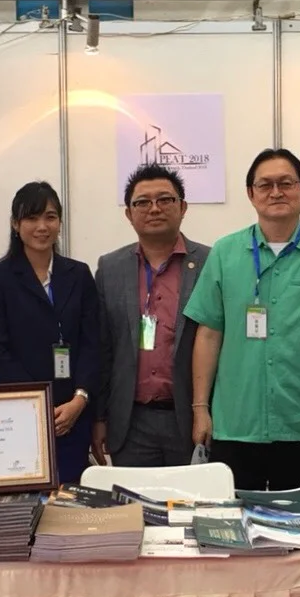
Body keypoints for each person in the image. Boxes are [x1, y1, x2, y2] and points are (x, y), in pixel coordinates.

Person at [184, 148, 300, 500]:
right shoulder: (224, 253)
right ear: (250, 193)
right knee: (234, 526)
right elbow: (208, 334)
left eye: (286, 183)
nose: (276, 192)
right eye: (265, 184)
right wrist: (200, 409)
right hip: (236, 422)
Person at [0, 181, 100, 485]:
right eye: (32, 218)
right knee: (27, 494)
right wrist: (36, 404)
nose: (42, 226)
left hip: (73, 413)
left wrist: (80, 399)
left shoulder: (79, 274)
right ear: (15, 224)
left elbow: (93, 342)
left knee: (70, 496)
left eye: (50, 217)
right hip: (22, 414)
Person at [92, 164, 211, 468]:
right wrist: (99, 416)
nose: (154, 209)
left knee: (194, 499)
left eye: (165, 200)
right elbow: (102, 348)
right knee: (132, 500)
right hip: (130, 423)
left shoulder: (210, 263)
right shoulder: (110, 268)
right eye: (142, 202)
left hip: (190, 419)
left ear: (183, 207)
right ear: (128, 213)